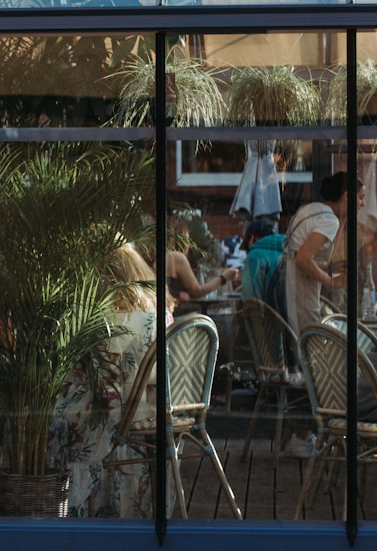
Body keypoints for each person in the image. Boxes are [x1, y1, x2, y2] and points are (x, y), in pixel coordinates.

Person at [49, 240, 175, 518]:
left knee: (43, 419)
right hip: (155, 410)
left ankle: (56, 507)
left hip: (119, 412)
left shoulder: (111, 319)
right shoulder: (160, 313)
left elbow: (96, 379)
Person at [281, 171, 365, 457]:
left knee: (307, 362)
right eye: (361, 197)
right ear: (346, 196)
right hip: (301, 297)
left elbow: (313, 256)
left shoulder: (312, 211)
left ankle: (303, 435)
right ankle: (305, 437)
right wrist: (332, 282)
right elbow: (305, 258)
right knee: (315, 363)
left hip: (290, 292)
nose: (363, 204)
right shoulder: (328, 219)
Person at [166, 216, 240, 302]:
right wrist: (224, 277)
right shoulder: (176, 257)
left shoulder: (160, 257)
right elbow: (197, 291)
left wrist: (179, 293)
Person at [241, 218, 285, 303]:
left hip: (270, 314)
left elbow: (251, 299)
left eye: (247, 246)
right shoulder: (287, 250)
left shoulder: (255, 255)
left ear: (252, 238)